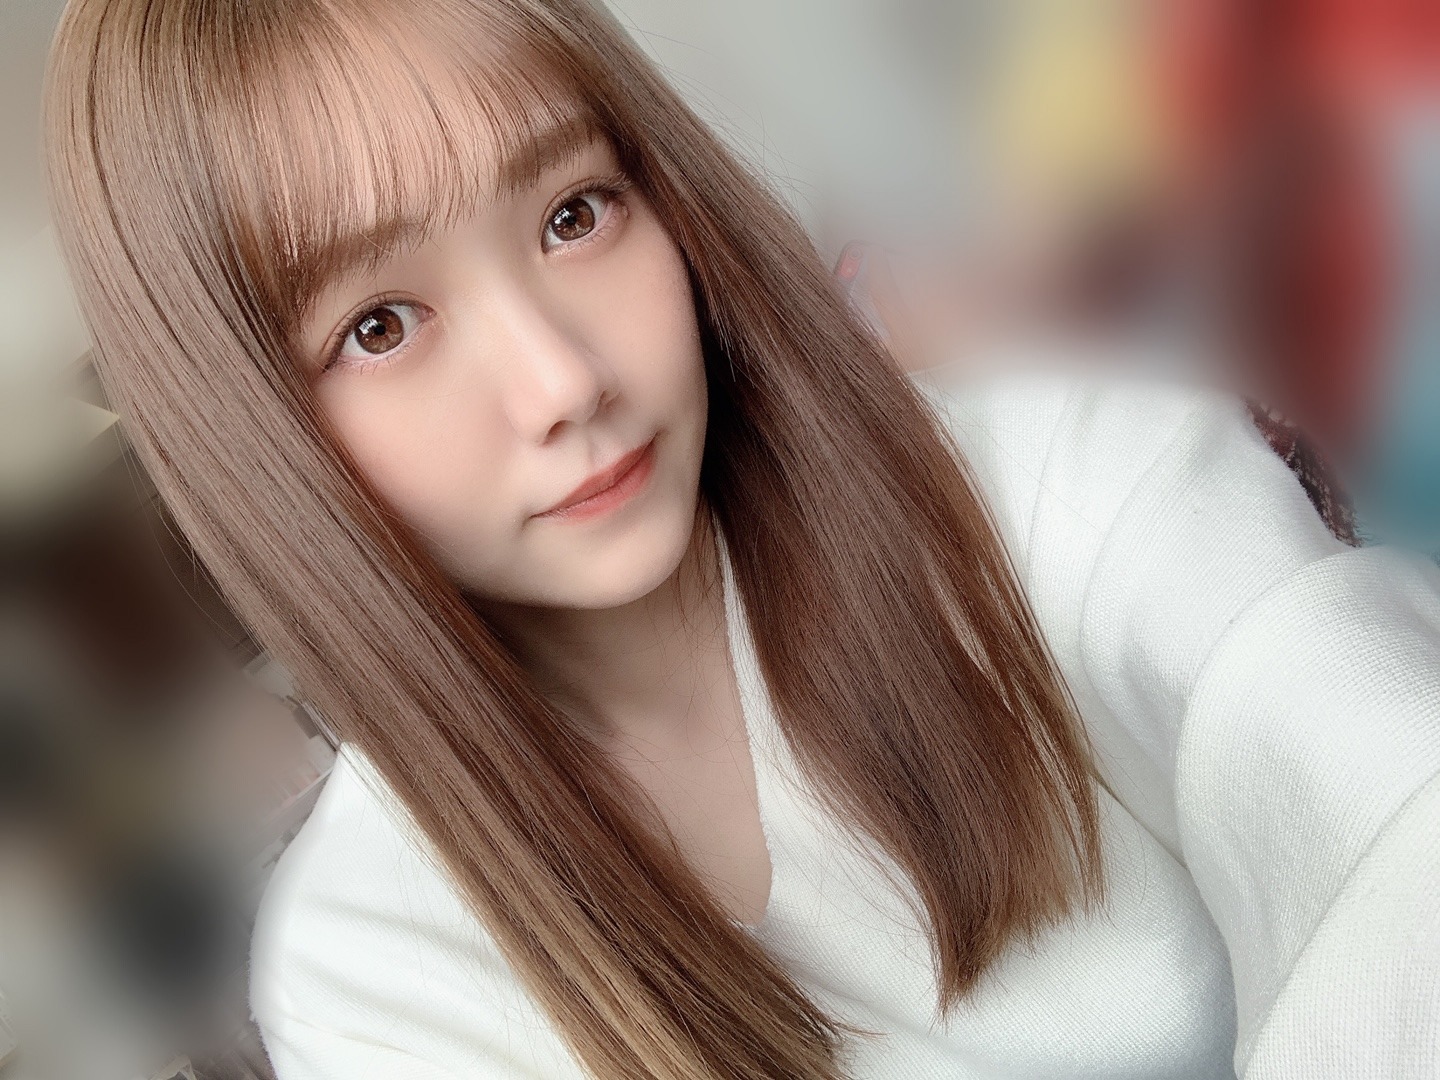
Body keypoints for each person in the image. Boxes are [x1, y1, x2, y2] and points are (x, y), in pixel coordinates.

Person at [41, 0, 1440, 1077]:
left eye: (575, 215)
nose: (563, 381)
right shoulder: (372, 964)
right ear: (263, 442)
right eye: (381, 326)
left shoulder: (1049, 482)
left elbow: (1400, 804)